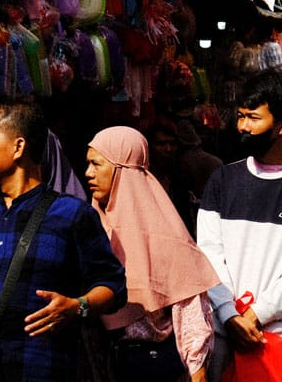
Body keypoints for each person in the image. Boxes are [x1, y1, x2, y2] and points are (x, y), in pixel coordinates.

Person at [0, 101, 127, 382]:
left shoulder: (71, 215)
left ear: (18, 147)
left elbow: (114, 287)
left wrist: (77, 306)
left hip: (42, 369)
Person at [197, 69, 282, 382]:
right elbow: (207, 255)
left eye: (254, 118)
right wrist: (229, 314)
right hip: (226, 334)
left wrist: (257, 313)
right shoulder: (222, 180)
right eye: (241, 116)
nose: (243, 127)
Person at [86, 126, 222, 382]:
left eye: (96, 164)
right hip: (104, 366)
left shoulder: (168, 239)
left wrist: (198, 372)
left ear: (121, 169)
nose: (88, 173)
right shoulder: (91, 228)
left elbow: (191, 318)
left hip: (155, 366)